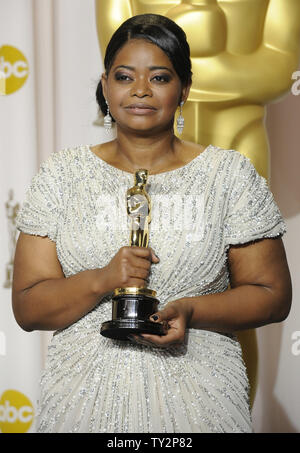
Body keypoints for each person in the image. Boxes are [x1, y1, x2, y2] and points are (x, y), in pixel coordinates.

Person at [12, 14, 292, 433]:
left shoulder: (229, 175)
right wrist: (103, 279)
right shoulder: (61, 175)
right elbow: (29, 307)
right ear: (106, 86)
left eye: (160, 78)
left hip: (203, 403)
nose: (140, 90)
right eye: (125, 77)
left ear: (185, 90)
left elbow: (273, 295)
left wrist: (192, 311)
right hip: (80, 403)